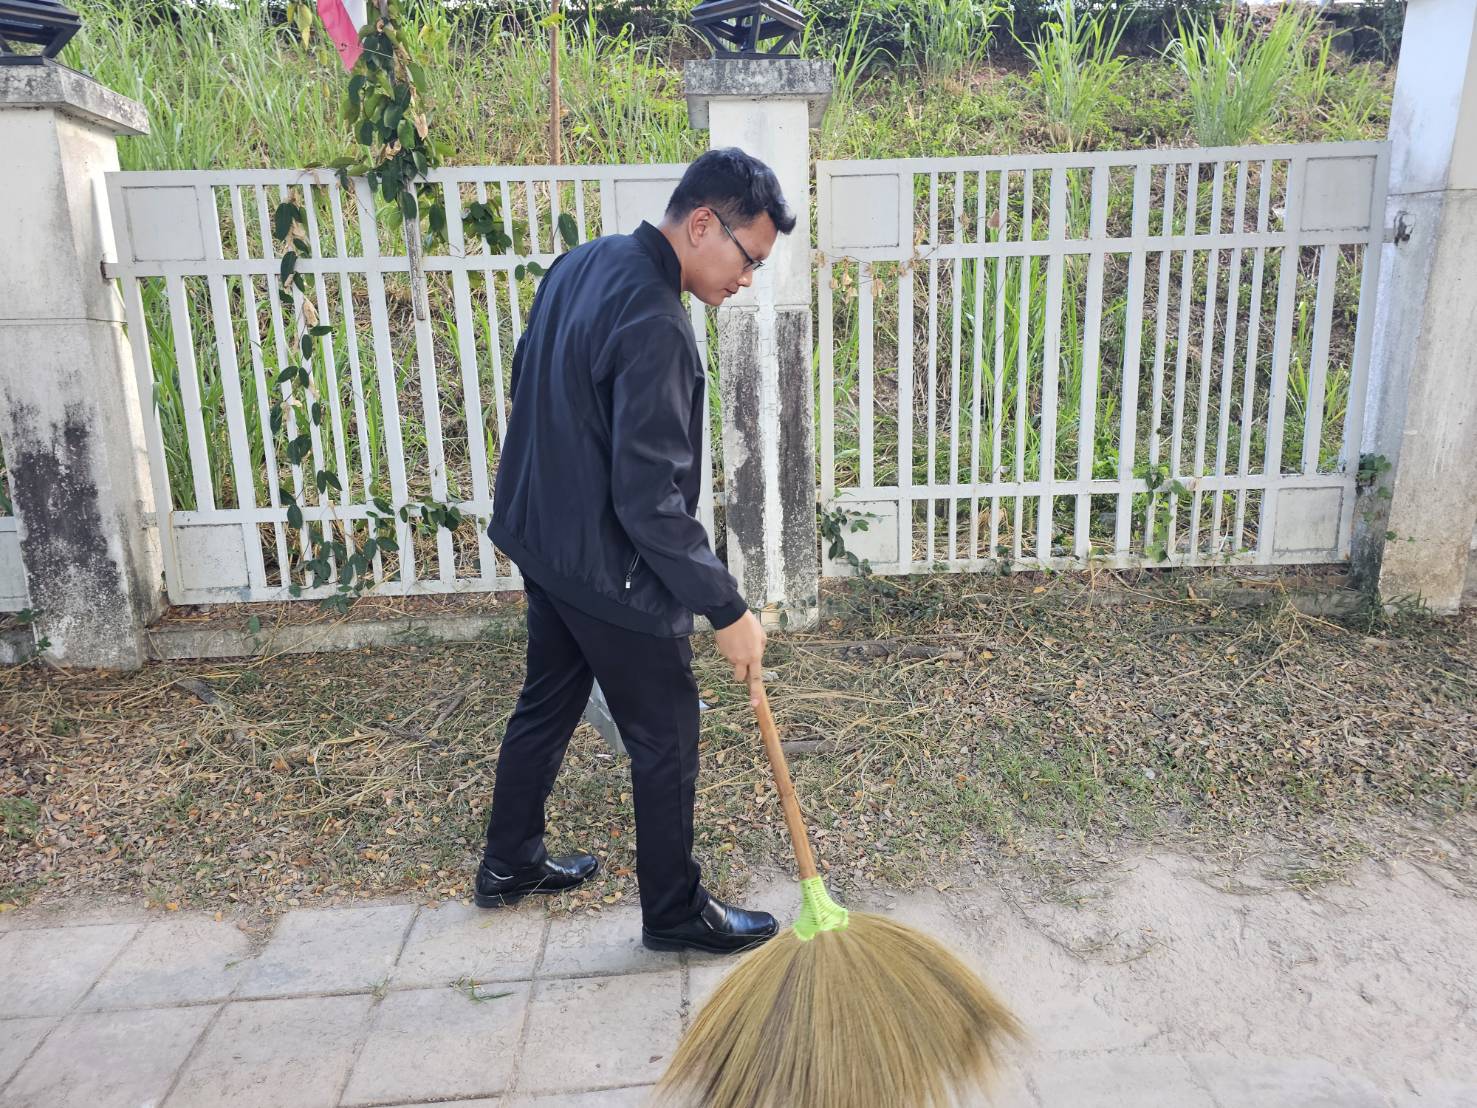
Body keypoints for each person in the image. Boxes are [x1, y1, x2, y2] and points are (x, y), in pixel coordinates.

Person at [475, 148, 795, 954]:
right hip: (604, 565)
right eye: (748, 257)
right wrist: (727, 607)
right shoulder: (657, 324)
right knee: (666, 733)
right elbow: (649, 502)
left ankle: (508, 863)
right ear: (700, 224)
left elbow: (533, 378)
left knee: (546, 699)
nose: (748, 278)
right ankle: (673, 910)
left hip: (542, 537)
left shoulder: (583, 262)